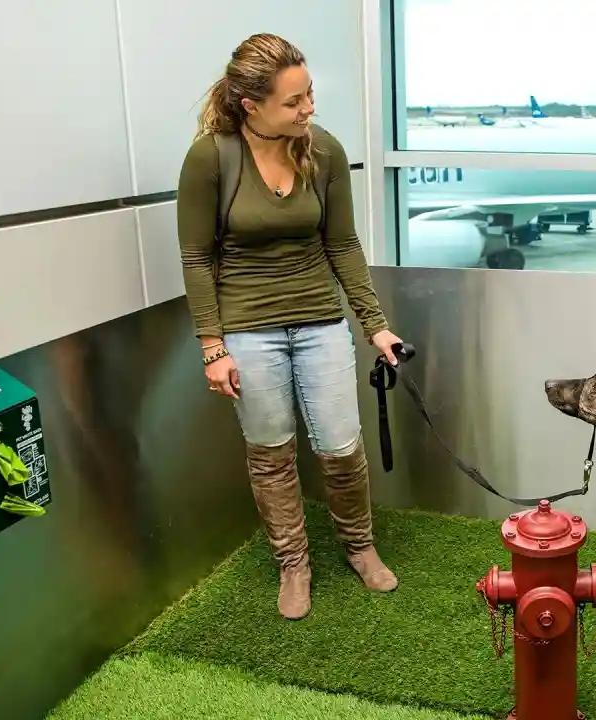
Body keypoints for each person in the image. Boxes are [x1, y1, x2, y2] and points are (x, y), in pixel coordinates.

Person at [175, 32, 402, 620]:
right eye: (293, 101)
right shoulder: (211, 157)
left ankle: (359, 545)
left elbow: (344, 244)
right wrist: (212, 347)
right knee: (270, 452)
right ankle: (293, 563)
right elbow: (197, 258)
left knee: (340, 445)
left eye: (309, 95)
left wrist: (374, 325)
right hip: (247, 329)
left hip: (320, 320)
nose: (308, 109)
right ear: (250, 104)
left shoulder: (322, 150)